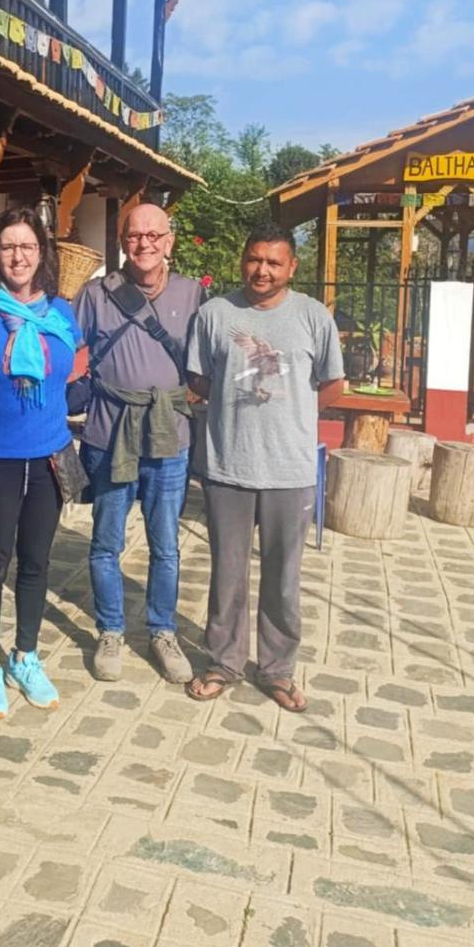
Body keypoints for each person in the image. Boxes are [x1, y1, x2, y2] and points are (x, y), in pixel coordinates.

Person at [185, 221, 345, 711]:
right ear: (243, 260)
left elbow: (332, 384)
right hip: (228, 465)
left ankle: (277, 670)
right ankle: (224, 662)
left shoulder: (313, 317)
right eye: (255, 259)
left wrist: (291, 411)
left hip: (289, 469)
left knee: (283, 577)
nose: (262, 270)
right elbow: (199, 380)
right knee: (227, 573)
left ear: (292, 267)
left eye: (274, 262)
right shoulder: (215, 314)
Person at [0, 208, 82, 718]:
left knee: (36, 561)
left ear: (41, 252)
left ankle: (25, 655)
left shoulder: (61, 312)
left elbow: (73, 368)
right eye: (8, 246)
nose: (18, 256)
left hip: (49, 454)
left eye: (27, 246)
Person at [74, 203, 202, 684]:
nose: (144, 243)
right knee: (106, 541)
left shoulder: (193, 294)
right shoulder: (96, 294)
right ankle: (110, 630)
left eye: (154, 235)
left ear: (170, 241)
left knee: (165, 545)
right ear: (123, 241)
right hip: (111, 433)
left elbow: (213, 357)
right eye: (134, 235)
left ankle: (162, 630)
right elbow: (60, 345)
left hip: (170, 438)